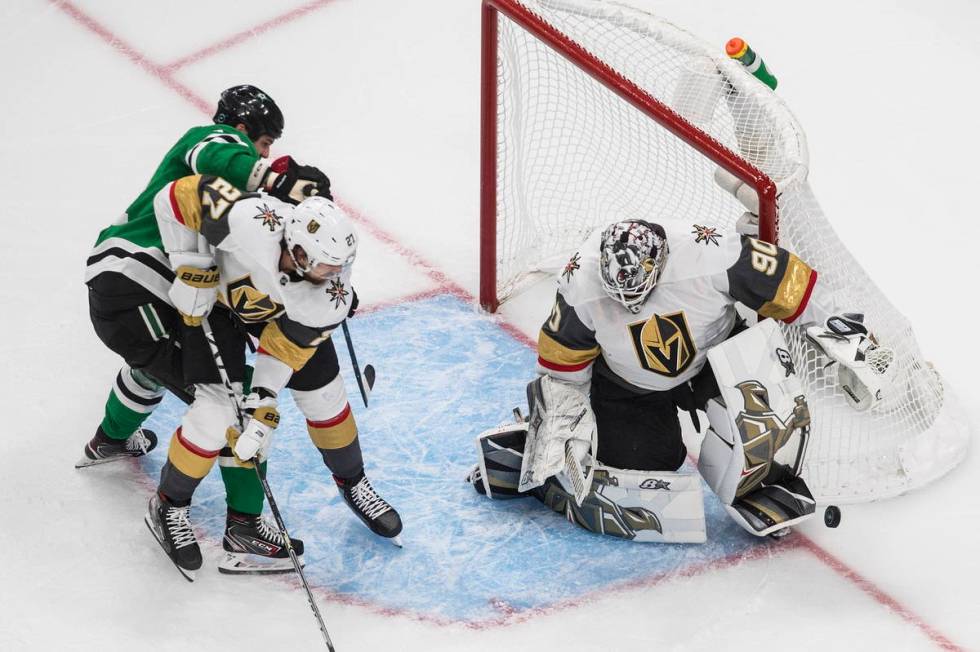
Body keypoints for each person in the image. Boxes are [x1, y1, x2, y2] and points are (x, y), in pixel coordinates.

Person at [469, 219, 886, 541]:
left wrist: (843, 332)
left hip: (714, 360)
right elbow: (562, 366)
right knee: (653, 468)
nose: (629, 302)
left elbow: (793, 284)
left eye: (638, 290)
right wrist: (562, 431)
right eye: (619, 293)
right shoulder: (581, 283)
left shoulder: (712, 252)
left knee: (764, 412)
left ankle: (761, 482)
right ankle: (539, 457)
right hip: (628, 386)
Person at [80, 85, 331, 573]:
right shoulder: (214, 141)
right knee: (228, 402)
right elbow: (215, 154)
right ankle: (241, 526)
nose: (265, 156)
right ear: (242, 131)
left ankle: (109, 440)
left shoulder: (224, 205)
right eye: (263, 145)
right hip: (136, 282)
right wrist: (268, 176)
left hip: (131, 289)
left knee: (154, 368)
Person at [142, 173, 402, 579]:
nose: (334, 276)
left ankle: (353, 482)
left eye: (340, 267)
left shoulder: (329, 296)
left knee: (325, 396)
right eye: (326, 265)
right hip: (215, 308)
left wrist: (263, 400)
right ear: (297, 251)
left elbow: (284, 348)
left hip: (277, 317)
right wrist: (189, 264)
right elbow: (172, 197)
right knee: (216, 415)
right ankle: (168, 505)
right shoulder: (250, 221)